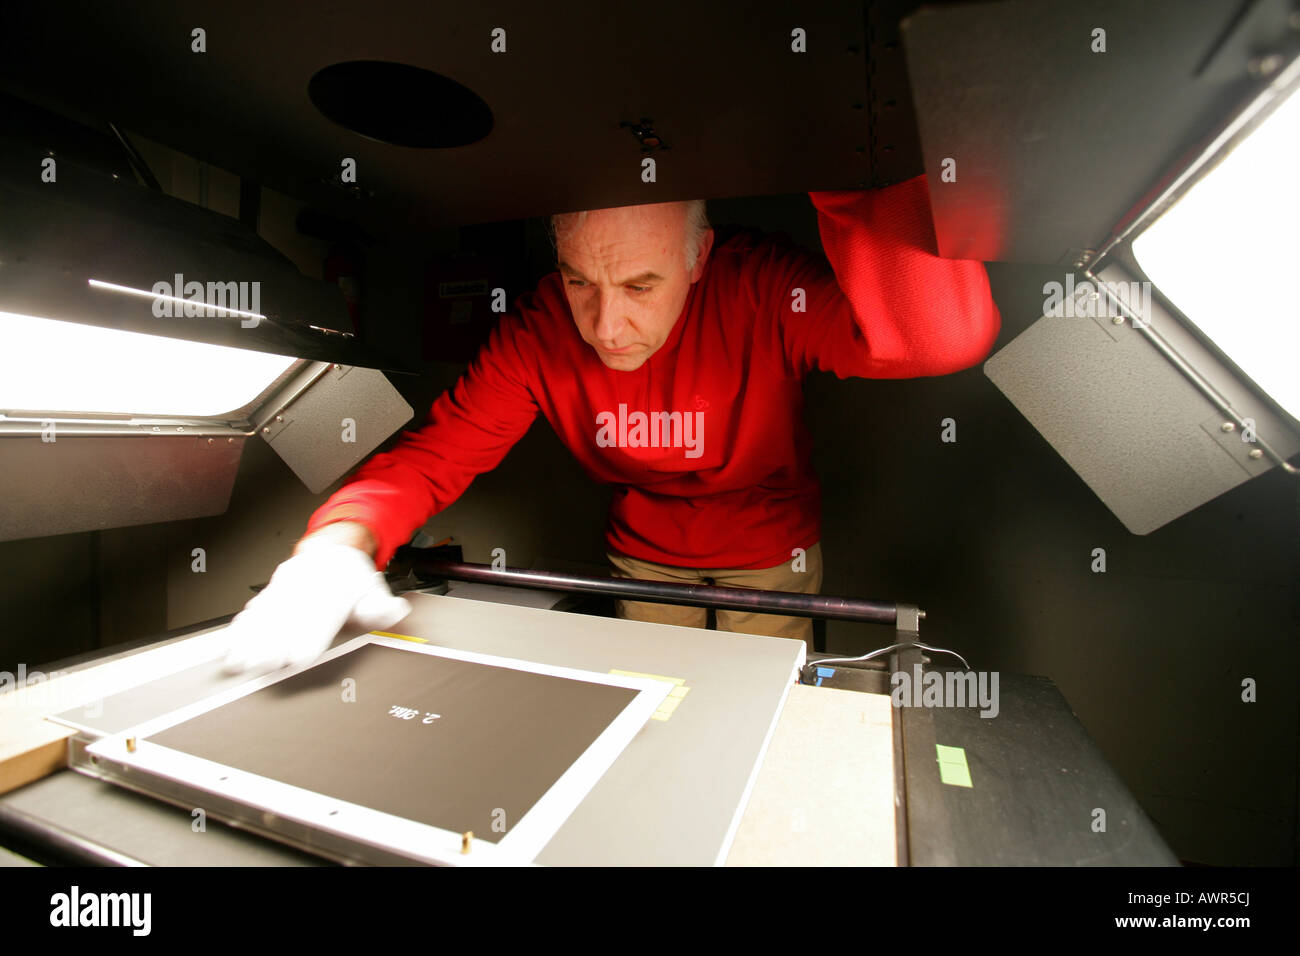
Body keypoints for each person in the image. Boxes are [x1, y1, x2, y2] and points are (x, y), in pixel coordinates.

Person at [222, 175, 1000, 674]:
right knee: (660, 716)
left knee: (760, 727)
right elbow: (433, 458)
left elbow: (939, 338)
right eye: (580, 282)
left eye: (641, 283)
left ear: (699, 257)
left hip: (773, 555)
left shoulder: (764, 288)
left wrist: (855, 163)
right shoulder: (538, 330)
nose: (607, 324)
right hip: (641, 562)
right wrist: (332, 548)